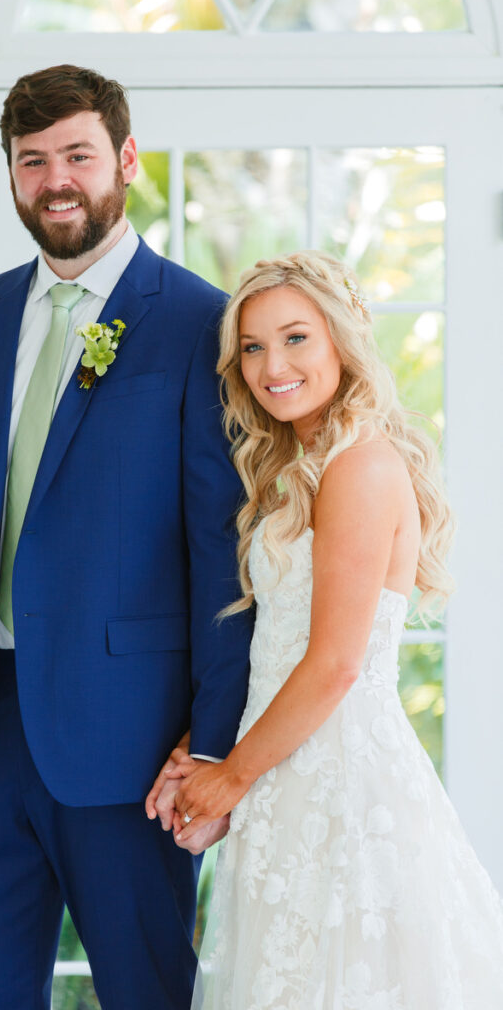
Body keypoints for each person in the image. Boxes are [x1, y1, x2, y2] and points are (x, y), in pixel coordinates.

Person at [0, 64, 251, 1010]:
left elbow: (222, 555)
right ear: (10, 172)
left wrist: (209, 746)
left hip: (132, 744)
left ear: (125, 160)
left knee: (146, 993)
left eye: (77, 155)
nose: (55, 180)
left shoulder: (204, 324)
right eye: (31, 160)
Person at [163, 252, 503, 1008]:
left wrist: (229, 778)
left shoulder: (358, 467)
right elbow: (272, 649)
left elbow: (335, 664)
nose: (269, 365)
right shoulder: (297, 468)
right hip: (289, 779)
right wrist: (206, 752)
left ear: (342, 342)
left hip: (344, 789)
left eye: (294, 339)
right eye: (251, 347)